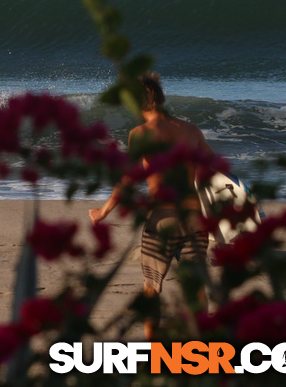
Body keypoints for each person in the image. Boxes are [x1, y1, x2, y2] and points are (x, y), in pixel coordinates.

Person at [88, 73, 215, 339]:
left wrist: (104, 211)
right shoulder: (192, 131)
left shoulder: (140, 134)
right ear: (162, 98)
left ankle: (152, 350)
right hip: (194, 219)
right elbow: (214, 172)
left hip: (162, 219)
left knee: (151, 288)